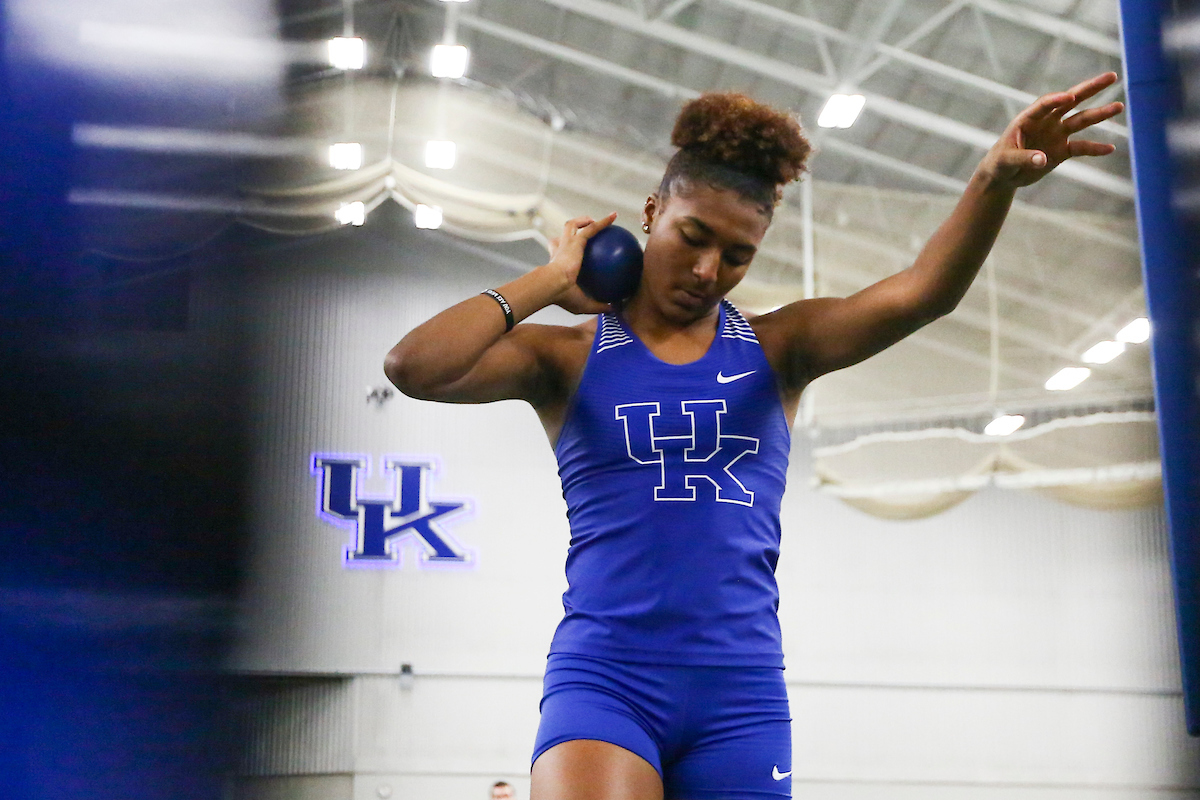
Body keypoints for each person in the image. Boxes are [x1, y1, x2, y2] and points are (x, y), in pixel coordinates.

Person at [385, 72, 1123, 800]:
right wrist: (550, 280)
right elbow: (413, 366)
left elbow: (923, 292)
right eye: (692, 237)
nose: (708, 270)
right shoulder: (567, 357)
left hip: (740, 697)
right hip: (607, 680)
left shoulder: (780, 348)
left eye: (737, 255)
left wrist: (992, 180)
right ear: (651, 214)